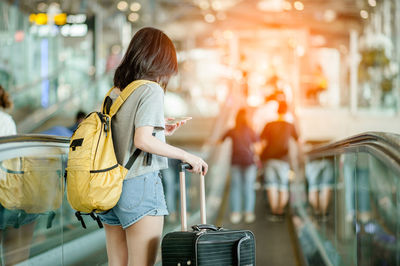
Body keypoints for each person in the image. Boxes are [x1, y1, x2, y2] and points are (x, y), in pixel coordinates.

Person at [96, 27, 208, 266]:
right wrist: (188, 155)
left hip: (109, 187)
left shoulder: (117, 91)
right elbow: (142, 140)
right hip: (139, 185)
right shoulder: (151, 89)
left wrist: (160, 127)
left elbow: (125, 133)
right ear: (161, 59)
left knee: (117, 263)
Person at [260, 101, 300, 221]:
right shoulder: (290, 125)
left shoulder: (269, 124)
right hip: (284, 160)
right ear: (286, 111)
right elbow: (298, 140)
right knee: (283, 186)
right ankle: (280, 211)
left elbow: (262, 142)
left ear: (277, 110)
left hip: (269, 159)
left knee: (271, 186)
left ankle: (274, 213)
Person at [221, 108, 259, 224]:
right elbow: (258, 146)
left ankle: (236, 214)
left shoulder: (233, 130)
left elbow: (221, 140)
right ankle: (248, 213)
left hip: (235, 161)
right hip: (249, 161)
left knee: (235, 187)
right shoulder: (251, 130)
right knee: (248, 187)